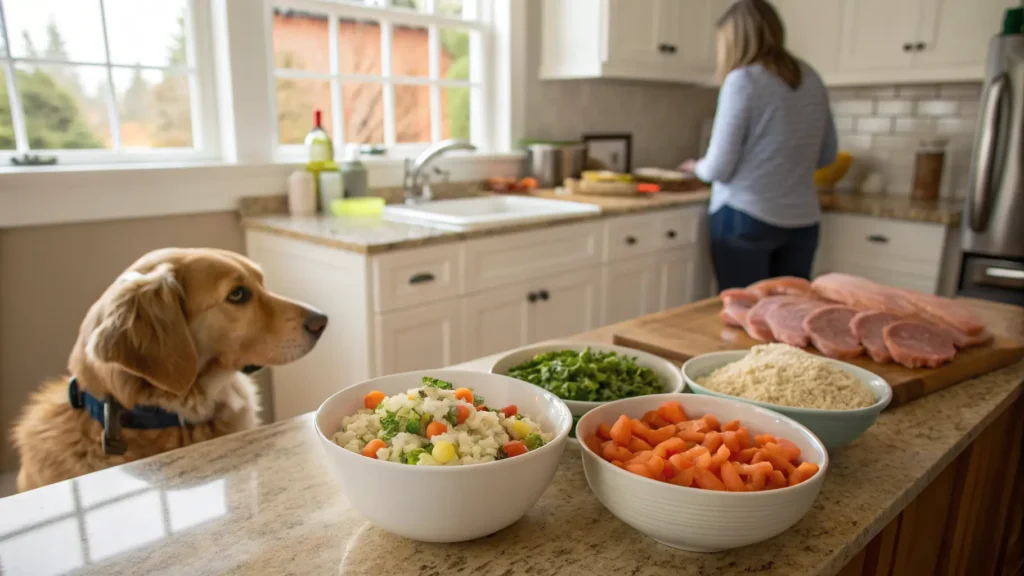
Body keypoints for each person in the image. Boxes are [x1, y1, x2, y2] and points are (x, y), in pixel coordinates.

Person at [680, 0, 837, 291]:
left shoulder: (743, 80)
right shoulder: (812, 78)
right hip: (802, 223)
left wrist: (695, 167)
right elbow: (827, 155)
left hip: (745, 217)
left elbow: (719, 167)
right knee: (790, 311)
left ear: (736, 40)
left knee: (745, 312)